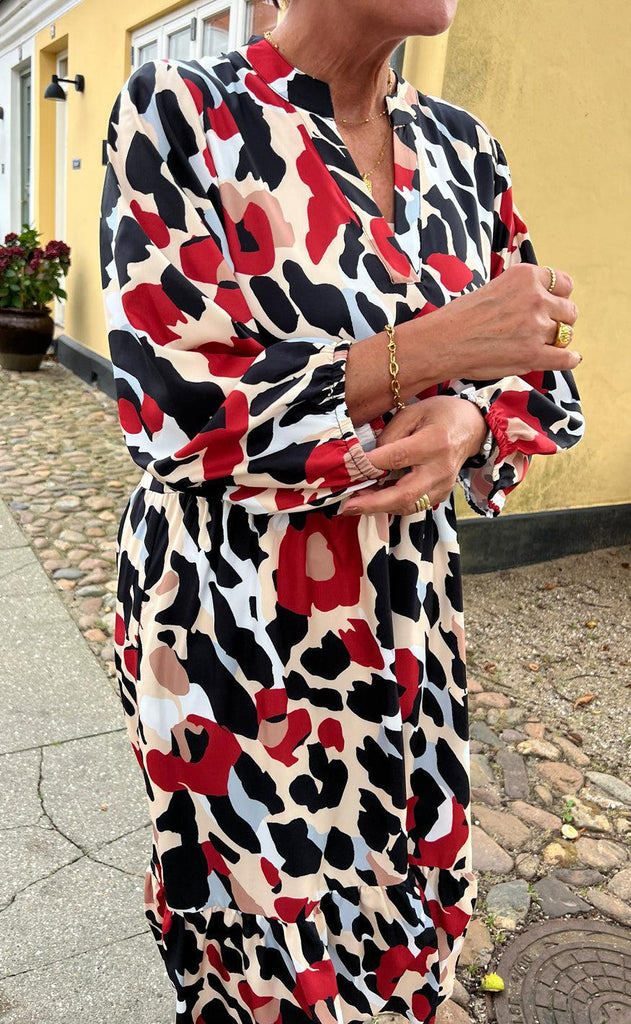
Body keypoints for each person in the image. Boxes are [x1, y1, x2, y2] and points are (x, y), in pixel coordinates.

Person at [98, 1, 584, 1021]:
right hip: (232, 621)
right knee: (266, 944)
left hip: (405, 613)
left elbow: (535, 367)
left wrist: (468, 419)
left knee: (407, 906)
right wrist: (431, 351)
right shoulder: (182, 107)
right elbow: (170, 408)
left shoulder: (464, 150)